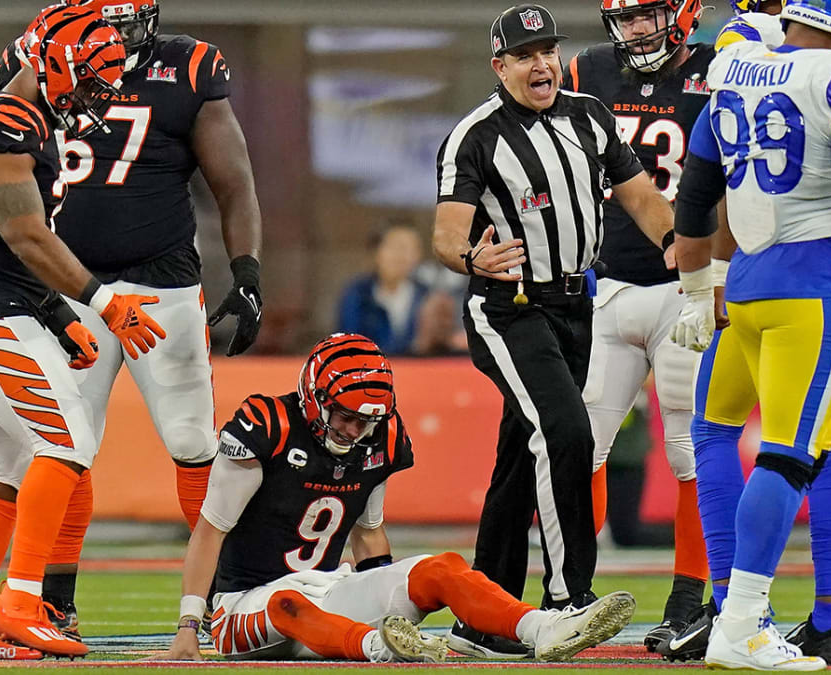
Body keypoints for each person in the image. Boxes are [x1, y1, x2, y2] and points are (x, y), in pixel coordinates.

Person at [669, 0, 831, 668]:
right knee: (798, 452)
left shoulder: (733, 59)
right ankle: (745, 622)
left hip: (745, 282)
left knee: (722, 432)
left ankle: (738, 607)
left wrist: (702, 283)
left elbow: (697, 191)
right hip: (816, 287)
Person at [0, 0, 264, 636]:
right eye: (100, 26)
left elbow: (235, 180)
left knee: (193, 440)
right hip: (65, 285)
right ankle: (53, 599)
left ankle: (220, 597)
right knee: (65, 445)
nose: (112, 40)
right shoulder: (33, 56)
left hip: (159, 282)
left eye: (123, 25)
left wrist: (247, 270)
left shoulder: (189, 66)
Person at [0, 5, 166, 659]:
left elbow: (13, 243)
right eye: (88, 82)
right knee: (68, 442)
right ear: (55, 61)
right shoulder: (4, 117)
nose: (92, 99)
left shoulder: (23, 121)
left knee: (3, 468)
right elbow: (22, 233)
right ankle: (21, 599)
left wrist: (59, 318)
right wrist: (103, 302)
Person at [432, 3, 675, 659]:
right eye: (525, 54)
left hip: (576, 307)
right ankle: (569, 598)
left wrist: (677, 243)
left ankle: (484, 610)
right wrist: (468, 257)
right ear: (500, 66)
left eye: (547, 50)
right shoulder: (475, 136)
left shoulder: (589, 116)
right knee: (565, 430)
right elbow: (448, 231)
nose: (541, 63)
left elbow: (640, 195)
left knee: (519, 458)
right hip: (508, 306)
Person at [162, 333, 636, 663]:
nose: (355, 430)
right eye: (346, 416)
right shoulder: (269, 426)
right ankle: (378, 648)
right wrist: (189, 625)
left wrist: (387, 592)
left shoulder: (379, 437)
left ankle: (542, 627)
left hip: (326, 586)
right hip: (242, 605)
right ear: (315, 397)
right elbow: (211, 529)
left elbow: (368, 533)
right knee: (289, 602)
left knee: (442, 567)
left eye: (366, 421)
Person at [562, 0, 713, 650]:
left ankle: (687, 601)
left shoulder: (721, 71)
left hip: (687, 285)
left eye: (650, 15)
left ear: (683, 12)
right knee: (581, 445)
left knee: (688, 451)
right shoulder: (584, 70)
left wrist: (719, 276)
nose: (637, 30)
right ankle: (573, 592)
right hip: (606, 282)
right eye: (627, 18)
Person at [336, 224, 428, 355]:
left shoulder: (427, 296)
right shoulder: (357, 294)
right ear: (376, 252)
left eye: (409, 249)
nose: (401, 256)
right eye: (395, 247)